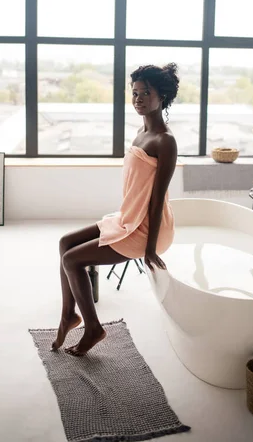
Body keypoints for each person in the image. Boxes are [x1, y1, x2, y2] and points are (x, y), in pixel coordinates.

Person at [52, 63, 179, 356]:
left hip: (147, 227)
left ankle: (93, 328)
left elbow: (158, 198)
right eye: (134, 93)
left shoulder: (166, 141)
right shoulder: (140, 132)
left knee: (71, 260)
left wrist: (149, 249)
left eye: (145, 93)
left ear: (163, 96)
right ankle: (69, 315)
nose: (138, 98)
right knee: (64, 243)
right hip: (129, 217)